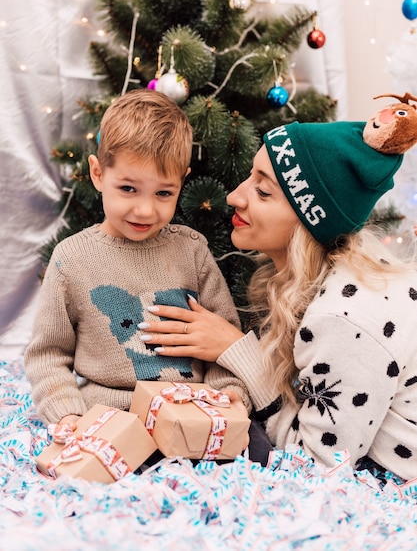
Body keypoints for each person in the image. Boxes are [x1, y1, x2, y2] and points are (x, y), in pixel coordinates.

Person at [136, 94, 417, 482]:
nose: (234, 196)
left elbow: (320, 467)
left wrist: (238, 353)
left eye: (263, 191)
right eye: (251, 177)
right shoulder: (321, 280)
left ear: (309, 221)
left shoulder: (345, 316)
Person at [24, 88, 250, 429]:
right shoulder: (71, 259)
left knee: (257, 450)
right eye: (128, 188)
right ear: (98, 174)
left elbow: (222, 338)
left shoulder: (192, 251)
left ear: (181, 182)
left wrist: (229, 392)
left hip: (191, 412)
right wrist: (66, 412)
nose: (145, 210)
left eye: (163, 193)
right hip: (108, 416)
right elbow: (48, 353)